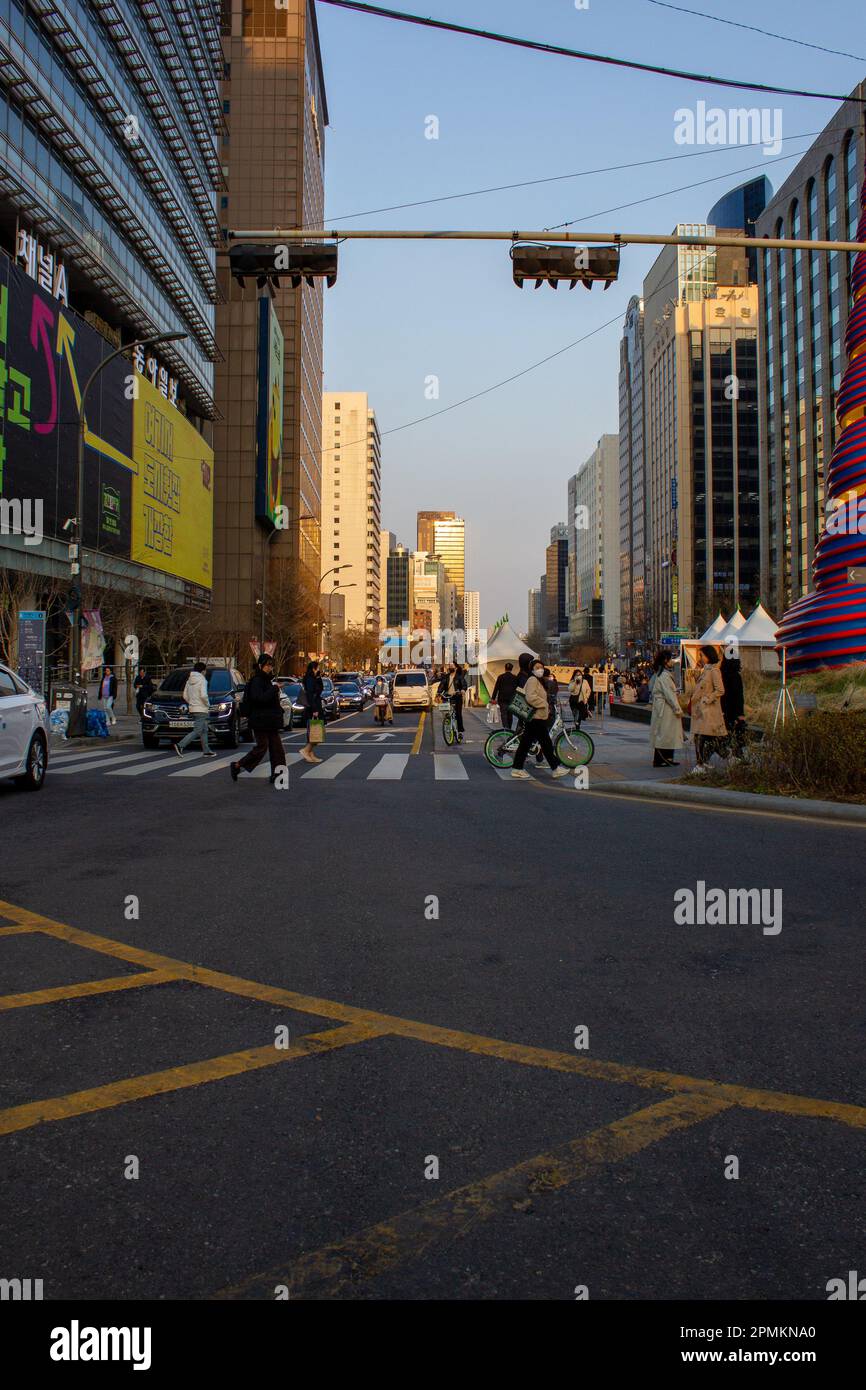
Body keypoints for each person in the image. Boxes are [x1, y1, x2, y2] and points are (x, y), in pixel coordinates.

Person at [511, 654, 570, 781]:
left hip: (536, 717)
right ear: (532, 669)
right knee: (545, 744)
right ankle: (555, 768)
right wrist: (544, 704)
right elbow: (530, 697)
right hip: (536, 717)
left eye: (542, 667)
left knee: (527, 744)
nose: (540, 669)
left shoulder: (538, 680)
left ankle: (517, 768)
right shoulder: (532, 680)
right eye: (537, 667)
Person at [230, 654, 286, 784]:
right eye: (267, 665)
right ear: (260, 666)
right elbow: (259, 698)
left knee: (277, 749)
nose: (269, 668)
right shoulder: (257, 680)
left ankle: (278, 775)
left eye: (271, 665)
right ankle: (237, 765)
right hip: (260, 720)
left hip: (270, 720)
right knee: (262, 747)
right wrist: (275, 688)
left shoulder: (266, 680)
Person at [689, 645, 727, 773]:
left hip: (708, 711)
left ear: (708, 656)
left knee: (702, 737)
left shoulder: (714, 671)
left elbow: (720, 690)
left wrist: (707, 699)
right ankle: (702, 763)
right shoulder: (705, 670)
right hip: (701, 710)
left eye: (702, 655)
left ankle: (701, 764)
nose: (700, 658)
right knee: (700, 737)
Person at [648, 649, 684, 767]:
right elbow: (669, 694)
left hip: (663, 707)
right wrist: (677, 708)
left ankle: (666, 758)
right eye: (670, 659)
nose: (672, 661)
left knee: (665, 733)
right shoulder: (664, 675)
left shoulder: (662, 674)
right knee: (664, 734)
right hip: (666, 709)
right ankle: (661, 759)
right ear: (665, 661)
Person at [175, 661, 216, 758]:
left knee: (204, 730)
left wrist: (192, 703)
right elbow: (203, 695)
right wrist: (207, 704)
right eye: (205, 670)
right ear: (202, 671)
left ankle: (206, 751)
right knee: (198, 730)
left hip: (193, 708)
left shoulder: (189, 680)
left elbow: (185, 695)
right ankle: (180, 745)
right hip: (201, 709)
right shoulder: (203, 680)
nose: (205, 672)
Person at [720, 653, 747, 759]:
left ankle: (729, 753)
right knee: (737, 733)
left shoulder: (721, 675)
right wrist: (740, 713)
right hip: (734, 709)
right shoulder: (736, 676)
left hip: (723, 708)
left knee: (726, 732)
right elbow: (739, 696)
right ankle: (738, 755)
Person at [300, 659, 325, 764]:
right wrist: (314, 709)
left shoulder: (313, 678)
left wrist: (319, 678)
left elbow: (320, 689)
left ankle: (310, 753)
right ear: (314, 668)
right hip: (313, 708)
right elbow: (311, 695)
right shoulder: (310, 679)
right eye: (317, 668)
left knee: (316, 731)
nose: (318, 670)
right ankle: (306, 750)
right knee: (316, 731)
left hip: (315, 706)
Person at [491, 661, 519, 729]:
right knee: (510, 714)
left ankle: (505, 727)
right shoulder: (515, 677)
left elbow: (496, 688)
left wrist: (493, 698)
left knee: (503, 714)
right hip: (511, 699)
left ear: (505, 669)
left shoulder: (500, 677)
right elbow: (517, 689)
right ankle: (509, 728)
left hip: (502, 699)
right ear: (511, 669)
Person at [447, 661, 467, 743]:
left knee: (458, 714)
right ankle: (449, 728)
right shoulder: (446, 677)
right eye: (449, 666)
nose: (450, 667)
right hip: (448, 697)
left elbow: (464, 684)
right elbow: (441, 685)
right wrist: (438, 692)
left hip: (457, 697)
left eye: (451, 666)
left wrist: (462, 690)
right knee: (447, 714)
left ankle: (460, 731)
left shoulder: (459, 677)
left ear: (455, 668)